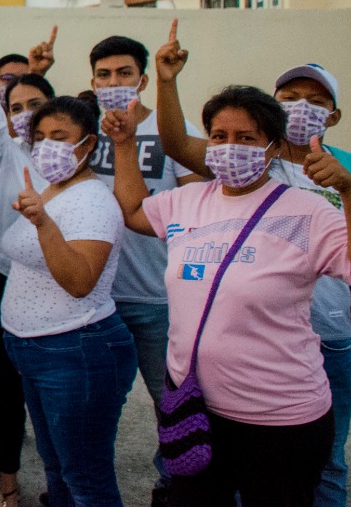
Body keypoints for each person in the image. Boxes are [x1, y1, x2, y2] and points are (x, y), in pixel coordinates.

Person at [110, 85, 351, 507]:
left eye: (246, 138)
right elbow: (134, 210)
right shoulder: (187, 201)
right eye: (220, 136)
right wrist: (123, 145)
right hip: (195, 407)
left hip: (279, 420)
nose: (230, 147)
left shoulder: (307, 210)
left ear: (275, 147)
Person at [1, 95, 136, 507]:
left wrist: (43, 223)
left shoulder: (93, 200)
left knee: (85, 477)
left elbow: (79, 281)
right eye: (40, 136)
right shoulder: (52, 190)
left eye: (60, 136)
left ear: (89, 143)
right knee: (57, 466)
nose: (47, 146)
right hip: (39, 351)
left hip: (76, 350)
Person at [86, 35, 202, 507]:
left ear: (144, 78)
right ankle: (83, 485)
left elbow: (198, 206)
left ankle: (174, 484)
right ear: (92, 82)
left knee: (171, 403)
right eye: (104, 75)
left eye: (125, 73)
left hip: (159, 298)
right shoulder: (81, 132)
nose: (114, 83)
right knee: (92, 406)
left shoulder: (172, 132)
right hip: (96, 298)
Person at [0, 70, 55, 507]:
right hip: (2, 276)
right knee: (0, 384)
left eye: (35, 105)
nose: (24, 116)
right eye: (15, 107)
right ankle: (7, 482)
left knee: (43, 384)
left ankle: (60, 476)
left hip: (56, 282)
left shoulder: (69, 157)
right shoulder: (4, 150)